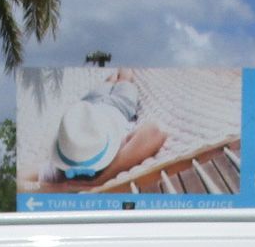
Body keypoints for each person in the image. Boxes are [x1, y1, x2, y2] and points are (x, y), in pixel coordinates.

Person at [30, 71, 166, 190]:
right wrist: (101, 180)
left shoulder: (59, 170)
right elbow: (155, 131)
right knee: (125, 79)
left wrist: (65, 187)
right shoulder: (117, 149)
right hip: (120, 105)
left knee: (109, 80)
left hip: (89, 106)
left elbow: (19, 179)